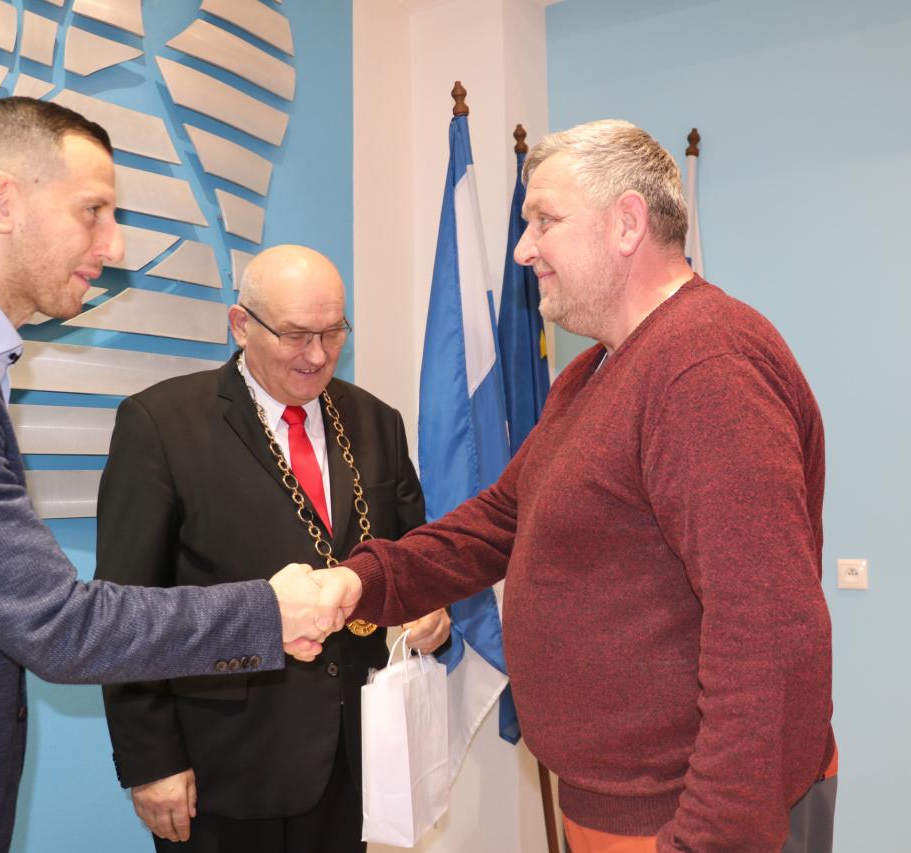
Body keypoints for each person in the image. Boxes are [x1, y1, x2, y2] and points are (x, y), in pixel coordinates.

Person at [0, 97, 352, 853]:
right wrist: (270, 611)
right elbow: (58, 623)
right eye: (93, 212)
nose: (114, 245)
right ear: (3, 202)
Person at [323, 120, 837, 853]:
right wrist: (358, 583)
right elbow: (500, 522)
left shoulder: (705, 367)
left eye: (544, 221)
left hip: (692, 817)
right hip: (617, 803)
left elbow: (767, 630)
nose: (523, 248)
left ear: (626, 223)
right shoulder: (596, 370)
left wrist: (711, 837)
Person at [95, 244, 450, 853]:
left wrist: (431, 608)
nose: (318, 355)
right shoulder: (161, 423)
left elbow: (413, 556)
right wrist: (152, 761)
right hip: (225, 766)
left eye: (333, 333)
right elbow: (126, 608)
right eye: (296, 335)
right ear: (241, 325)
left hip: (356, 758)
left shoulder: (376, 421)